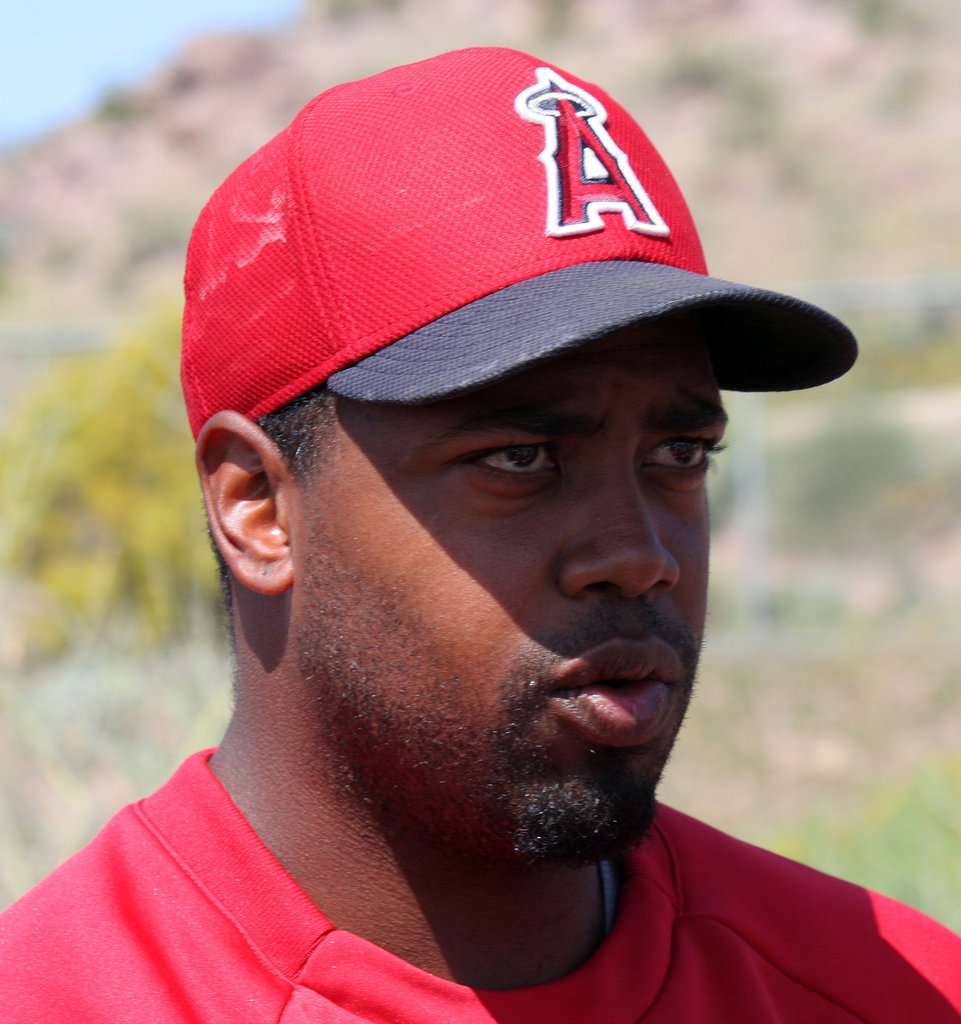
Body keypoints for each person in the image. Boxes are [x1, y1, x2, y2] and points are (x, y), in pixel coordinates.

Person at [1, 46, 959, 1023]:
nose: (638, 555)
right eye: (519, 459)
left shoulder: (891, 988)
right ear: (257, 503)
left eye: (677, 452)